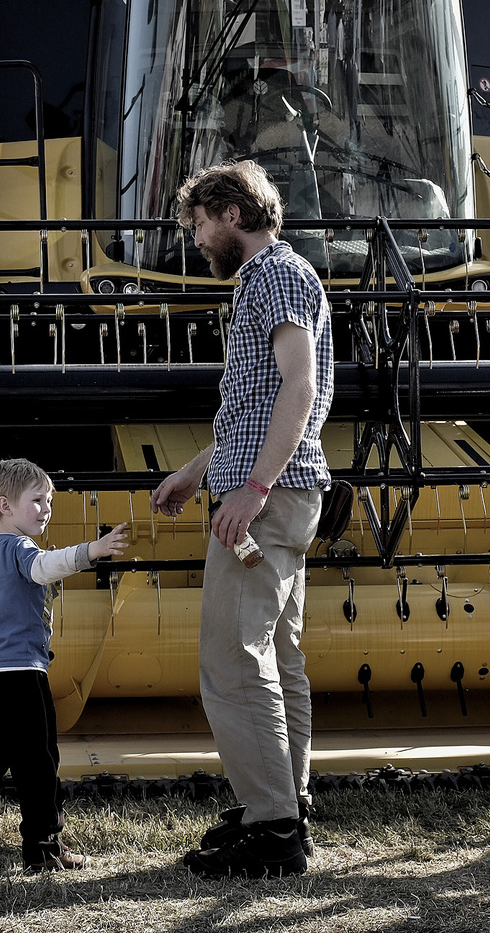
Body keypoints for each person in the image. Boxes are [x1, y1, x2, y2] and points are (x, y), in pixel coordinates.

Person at [150, 159, 333, 879]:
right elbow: (257, 410)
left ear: (231, 212)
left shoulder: (277, 277)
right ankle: (285, 806)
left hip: (271, 497)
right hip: (281, 492)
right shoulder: (270, 281)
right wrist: (196, 474)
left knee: (232, 658)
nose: (196, 241)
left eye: (198, 224)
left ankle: (274, 827)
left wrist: (252, 488)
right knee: (278, 658)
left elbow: (301, 386)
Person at [0, 458, 130, 870]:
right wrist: (93, 551)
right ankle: (44, 847)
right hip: (20, 672)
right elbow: (44, 567)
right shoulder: (19, 548)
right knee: (39, 759)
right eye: (36, 500)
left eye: (49, 500)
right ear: (5, 505)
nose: (46, 508)